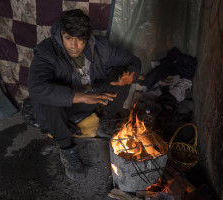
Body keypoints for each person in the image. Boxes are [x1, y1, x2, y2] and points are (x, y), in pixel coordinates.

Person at [27, 9, 141, 180]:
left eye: (80, 40)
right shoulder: (46, 51)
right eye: (69, 39)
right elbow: (36, 88)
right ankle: (67, 150)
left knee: (121, 73)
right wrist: (82, 97)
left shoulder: (101, 47)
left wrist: (130, 75)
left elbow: (133, 60)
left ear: (87, 37)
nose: (74, 46)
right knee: (48, 99)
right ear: (61, 34)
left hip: (92, 97)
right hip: (64, 107)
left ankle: (108, 121)